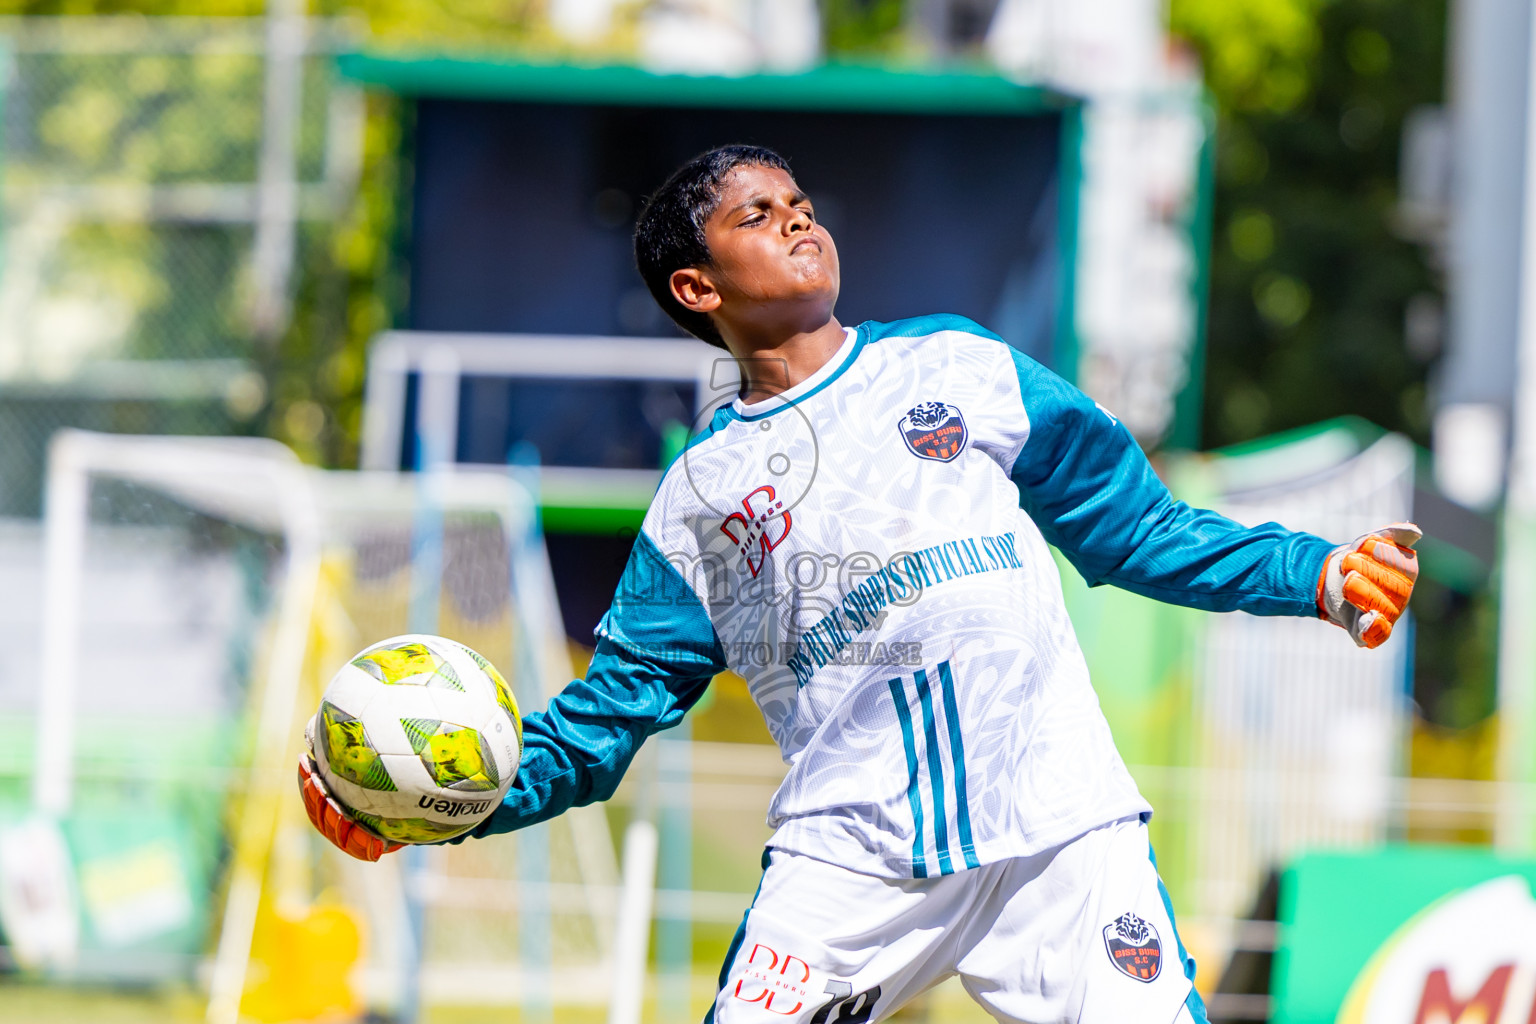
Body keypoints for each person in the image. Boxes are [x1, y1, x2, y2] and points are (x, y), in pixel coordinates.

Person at [299, 145, 1420, 1024]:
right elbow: (601, 725)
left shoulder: (961, 367)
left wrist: (1314, 571)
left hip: (1061, 831)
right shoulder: (698, 499)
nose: (796, 218)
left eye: (798, 201)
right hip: (850, 865)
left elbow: (1138, 530)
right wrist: (436, 807)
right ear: (697, 285)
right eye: (756, 214)